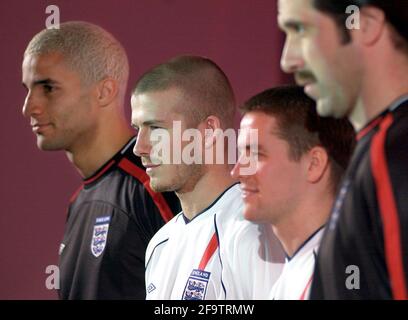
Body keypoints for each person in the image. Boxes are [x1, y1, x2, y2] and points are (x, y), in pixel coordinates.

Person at [21, 21, 180, 299]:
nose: (28, 107)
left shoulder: (153, 183)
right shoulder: (79, 202)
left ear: (104, 91)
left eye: (47, 88)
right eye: (28, 89)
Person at [278, 0, 408, 299]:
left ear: (365, 25)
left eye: (300, 28)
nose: (288, 60)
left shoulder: (394, 152)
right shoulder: (379, 148)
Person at [131, 55, 285, 300]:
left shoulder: (252, 233)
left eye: (156, 129)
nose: (139, 147)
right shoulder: (160, 244)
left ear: (209, 131)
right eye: (138, 129)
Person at [231, 85, 355, 299]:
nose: (237, 171)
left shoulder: (341, 276)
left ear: (313, 164)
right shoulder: (300, 270)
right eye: (241, 154)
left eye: (256, 155)